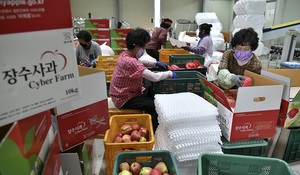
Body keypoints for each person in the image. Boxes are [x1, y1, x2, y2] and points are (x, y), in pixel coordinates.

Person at [109, 28, 178, 131]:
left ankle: (149, 119)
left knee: (150, 90)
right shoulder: (131, 62)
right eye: (143, 47)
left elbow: (140, 61)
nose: (144, 50)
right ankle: (153, 131)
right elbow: (154, 77)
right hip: (124, 99)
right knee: (156, 105)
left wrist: (155, 63)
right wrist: (169, 73)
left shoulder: (125, 55)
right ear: (136, 46)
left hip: (123, 93)